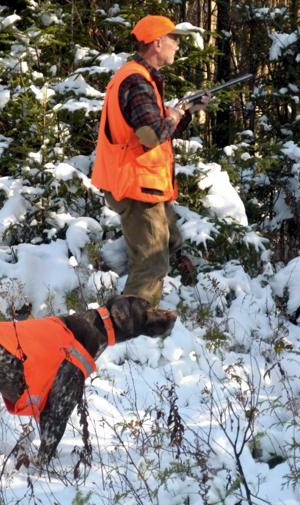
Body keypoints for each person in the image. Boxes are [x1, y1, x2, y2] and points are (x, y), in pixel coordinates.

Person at [92, 15, 209, 305]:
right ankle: (131, 334)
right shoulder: (137, 82)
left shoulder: (140, 79)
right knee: (151, 264)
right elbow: (151, 136)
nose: (178, 47)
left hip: (142, 184)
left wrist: (186, 111)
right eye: (175, 40)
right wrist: (176, 114)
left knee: (170, 239)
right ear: (157, 43)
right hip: (136, 187)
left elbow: (154, 132)